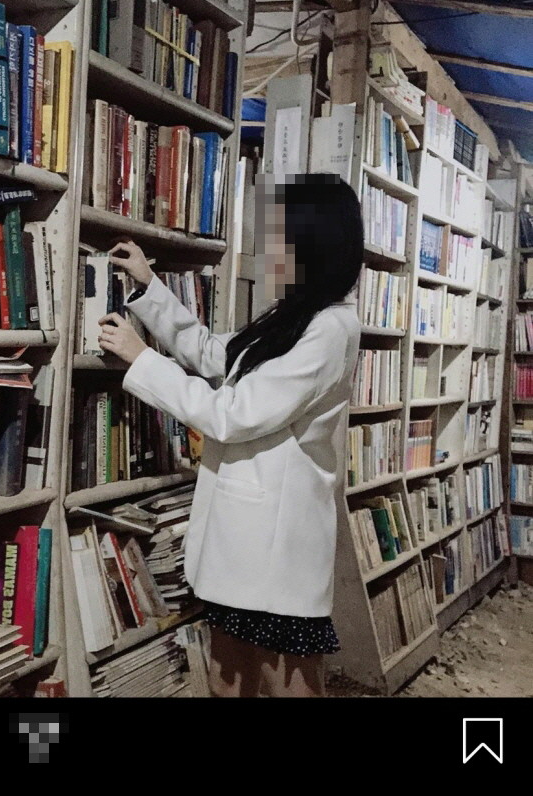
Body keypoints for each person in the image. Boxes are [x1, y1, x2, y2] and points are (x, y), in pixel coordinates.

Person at [97, 174, 363, 699]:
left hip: (275, 550)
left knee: (290, 686)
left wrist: (142, 358)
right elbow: (218, 355)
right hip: (245, 543)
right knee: (228, 679)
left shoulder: (331, 328)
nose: (268, 251)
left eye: (279, 237)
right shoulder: (295, 313)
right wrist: (150, 289)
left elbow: (234, 413)